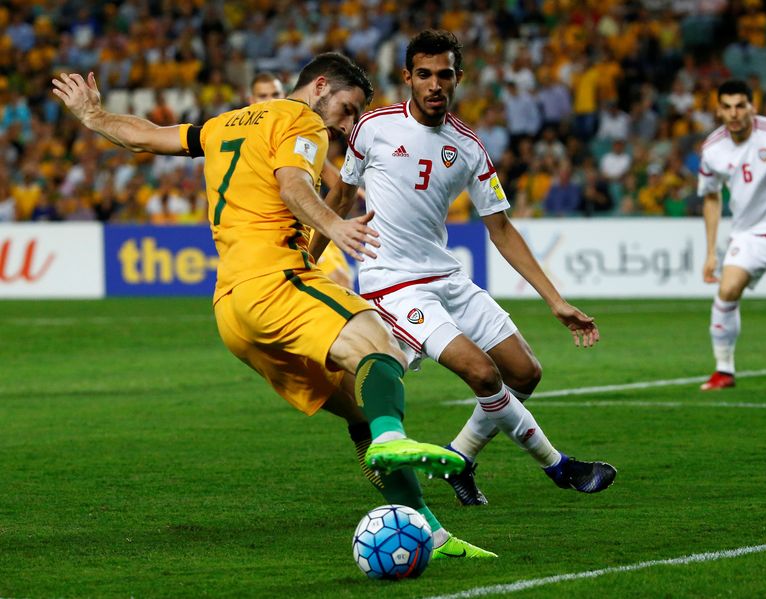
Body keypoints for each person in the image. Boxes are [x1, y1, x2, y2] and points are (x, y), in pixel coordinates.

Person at [51, 55, 495, 559]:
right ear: (321, 85)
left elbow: (143, 136)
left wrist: (92, 117)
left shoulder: (222, 124)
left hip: (232, 311)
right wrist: (333, 224)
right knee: (384, 349)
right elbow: (294, 184)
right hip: (276, 281)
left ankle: (431, 534)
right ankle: (392, 440)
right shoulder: (302, 119)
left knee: (360, 409)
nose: (348, 124)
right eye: (348, 109)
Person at [310, 30, 616, 507]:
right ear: (408, 77)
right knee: (483, 374)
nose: (435, 85)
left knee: (524, 372)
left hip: (446, 276)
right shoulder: (372, 127)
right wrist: (307, 259)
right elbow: (342, 197)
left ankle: (462, 456)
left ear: (459, 79)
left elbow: (502, 229)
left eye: (445, 75)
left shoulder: (469, 146)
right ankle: (559, 466)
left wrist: (555, 300)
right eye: (425, 74)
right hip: (394, 282)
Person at [698, 79, 766, 390]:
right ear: (718, 110)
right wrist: (711, 251)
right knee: (727, 291)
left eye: (740, 105)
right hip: (750, 234)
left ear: (752, 106)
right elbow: (712, 197)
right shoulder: (712, 149)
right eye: (727, 107)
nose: (734, 113)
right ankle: (724, 370)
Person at [249, 72, 353, 289]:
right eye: (262, 95)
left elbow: (326, 172)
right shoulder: (247, 136)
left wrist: (352, 191)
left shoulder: (294, 129)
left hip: (307, 221)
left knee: (341, 282)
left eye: (275, 94)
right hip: (268, 229)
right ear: (252, 100)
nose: (269, 99)